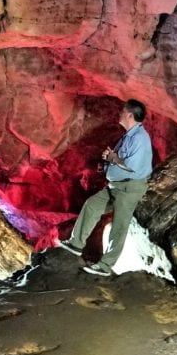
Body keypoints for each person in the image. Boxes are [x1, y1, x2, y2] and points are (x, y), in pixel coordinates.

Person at [56, 99, 153, 276]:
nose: (120, 113)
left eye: (123, 111)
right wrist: (108, 163)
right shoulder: (129, 135)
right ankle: (76, 244)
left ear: (130, 115)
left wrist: (113, 159)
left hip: (129, 188)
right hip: (115, 185)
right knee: (92, 205)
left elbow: (132, 167)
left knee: (119, 226)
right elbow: (120, 161)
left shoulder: (140, 138)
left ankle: (106, 265)